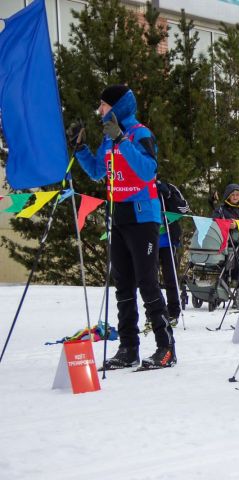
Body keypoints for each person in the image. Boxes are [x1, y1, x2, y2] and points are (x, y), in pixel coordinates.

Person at [73, 84, 176, 369]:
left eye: (103, 105)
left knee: (146, 281)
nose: (100, 110)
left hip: (143, 216)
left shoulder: (139, 133)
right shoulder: (109, 138)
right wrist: (81, 148)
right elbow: (97, 172)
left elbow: (147, 172)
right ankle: (129, 347)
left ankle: (166, 347)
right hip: (118, 216)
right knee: (123, 285)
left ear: (117, 107)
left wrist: (121, 141)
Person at [157, 178, 190, 326]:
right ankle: (154, 312)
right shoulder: (139, 186)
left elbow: (184, 209)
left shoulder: (168, 186)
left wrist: (169, 195)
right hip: (146, 241)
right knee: (149, 279)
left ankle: (173, 312)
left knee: (170, 277)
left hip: (167, 240)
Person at [212, 183, 239, 294]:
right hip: (224, 243)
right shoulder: (221, 209)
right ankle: (223, 286)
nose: (235, 197)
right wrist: (225, 224)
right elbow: (214, 221)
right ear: (228, 196)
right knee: (223, 266)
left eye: (237, 195)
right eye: (233, 195)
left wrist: (238, 225)